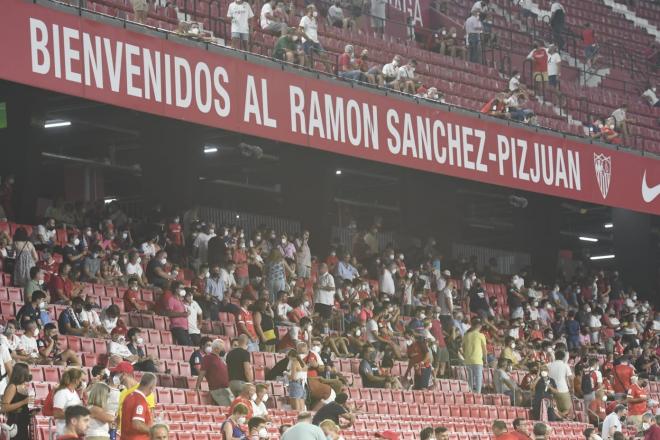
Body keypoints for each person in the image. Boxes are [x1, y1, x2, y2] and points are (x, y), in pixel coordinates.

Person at [196, 339, 233, 406]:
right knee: (228, 408)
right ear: (216, 349)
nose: (223, 350)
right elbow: (202, 373)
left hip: (227, 389)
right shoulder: (207, 358)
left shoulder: (220, 359)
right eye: (221, 348)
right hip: (218, 390)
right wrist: (197, 387)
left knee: (234, 407)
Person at [120, 373, 157, 440]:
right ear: (151, 387)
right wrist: (153, 431)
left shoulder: (128, 396)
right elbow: (137, 424)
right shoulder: (141, 401)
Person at [2, 363, 34, 440]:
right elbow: (4, 407)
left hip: (23, 424)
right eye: (28, 371)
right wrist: (23, 402)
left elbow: (22, 407)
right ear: (22, 373)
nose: (30, 373)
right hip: (15, 424)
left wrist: (31, 413)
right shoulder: (12, 387)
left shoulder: (23, 386)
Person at [53, 368, 85, 436]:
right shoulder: (62, 393)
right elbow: (56, 414)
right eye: (81, 380)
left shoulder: (74, 393)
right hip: (64, 432)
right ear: (75, 380)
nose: (82, 382)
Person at [462, 318, 487, 393]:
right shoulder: (481, 335)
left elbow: (463, 348)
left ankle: (470, 394)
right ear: (479, 326)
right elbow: (484, 350)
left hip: (468, 360)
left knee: (470, 379)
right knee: (478, 379)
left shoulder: (466, 335)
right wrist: (485, 360)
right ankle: (478, 394)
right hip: (477, 360)